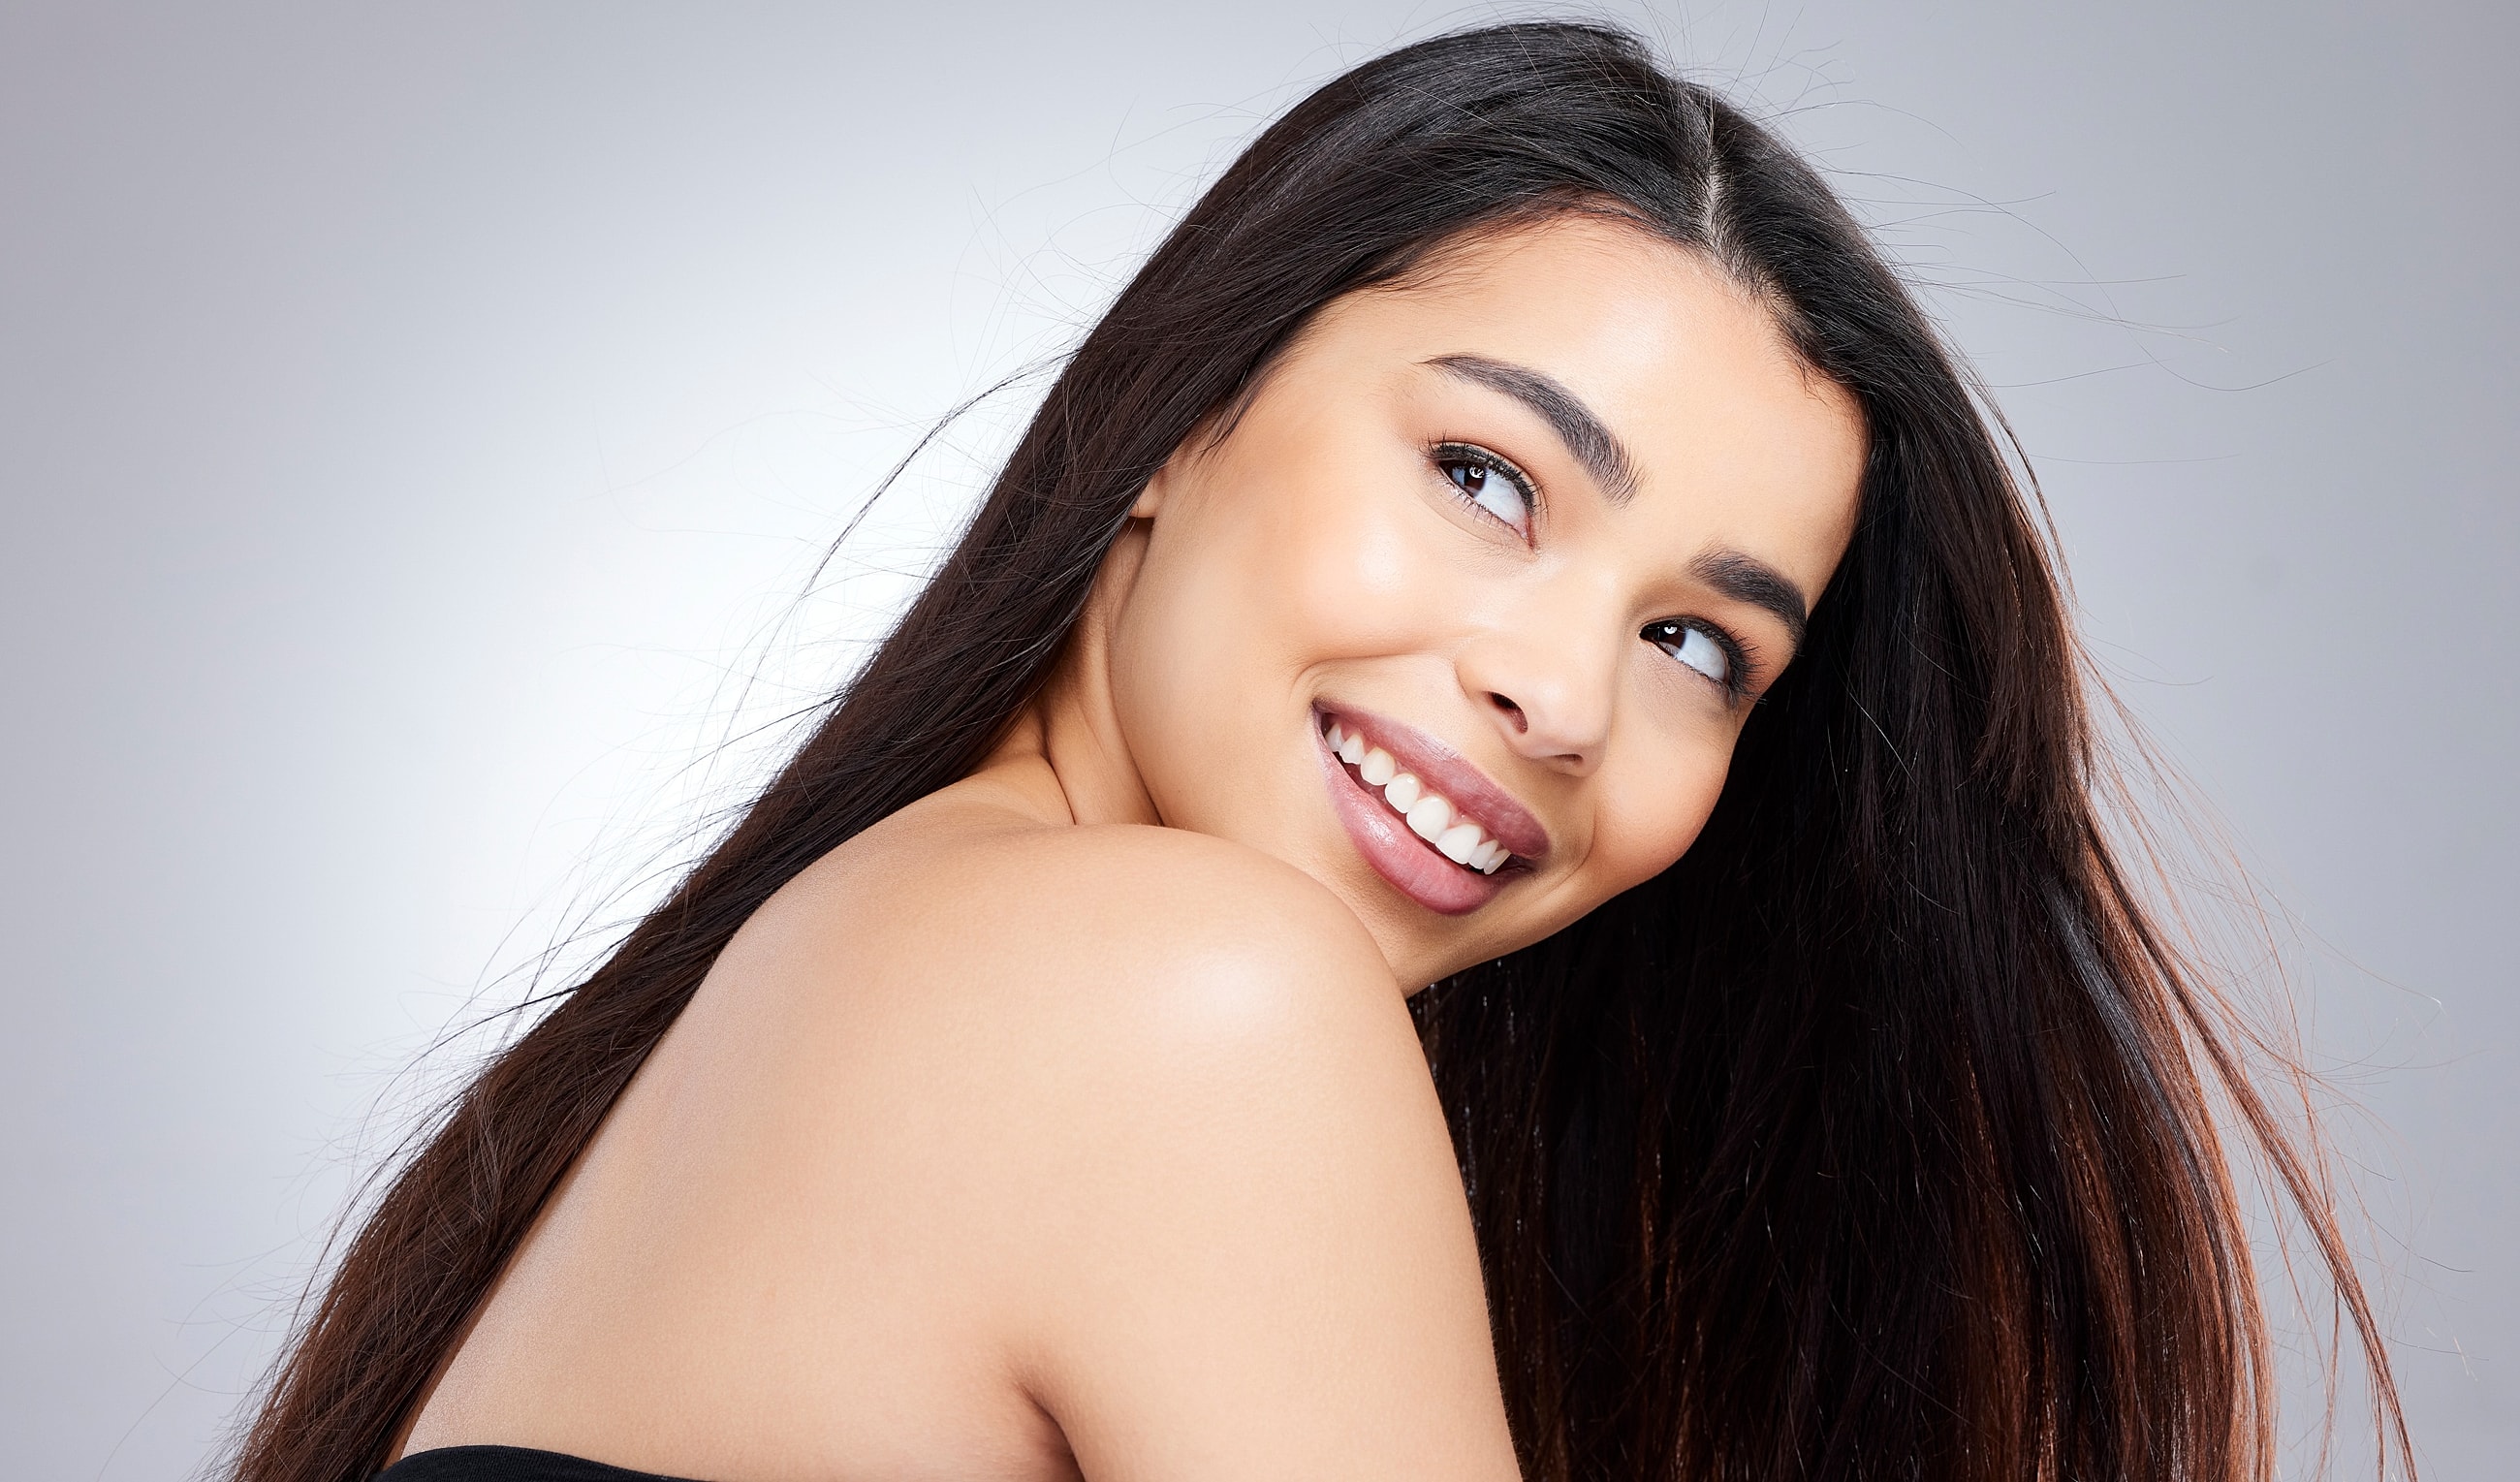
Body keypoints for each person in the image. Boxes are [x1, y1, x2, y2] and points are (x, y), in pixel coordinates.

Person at [230, 21, 2409, 1482]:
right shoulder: (1176, 996)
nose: (1563, 694)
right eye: (1486, 477)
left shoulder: (850, 962)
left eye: (1692, 642)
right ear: (1186, 408)